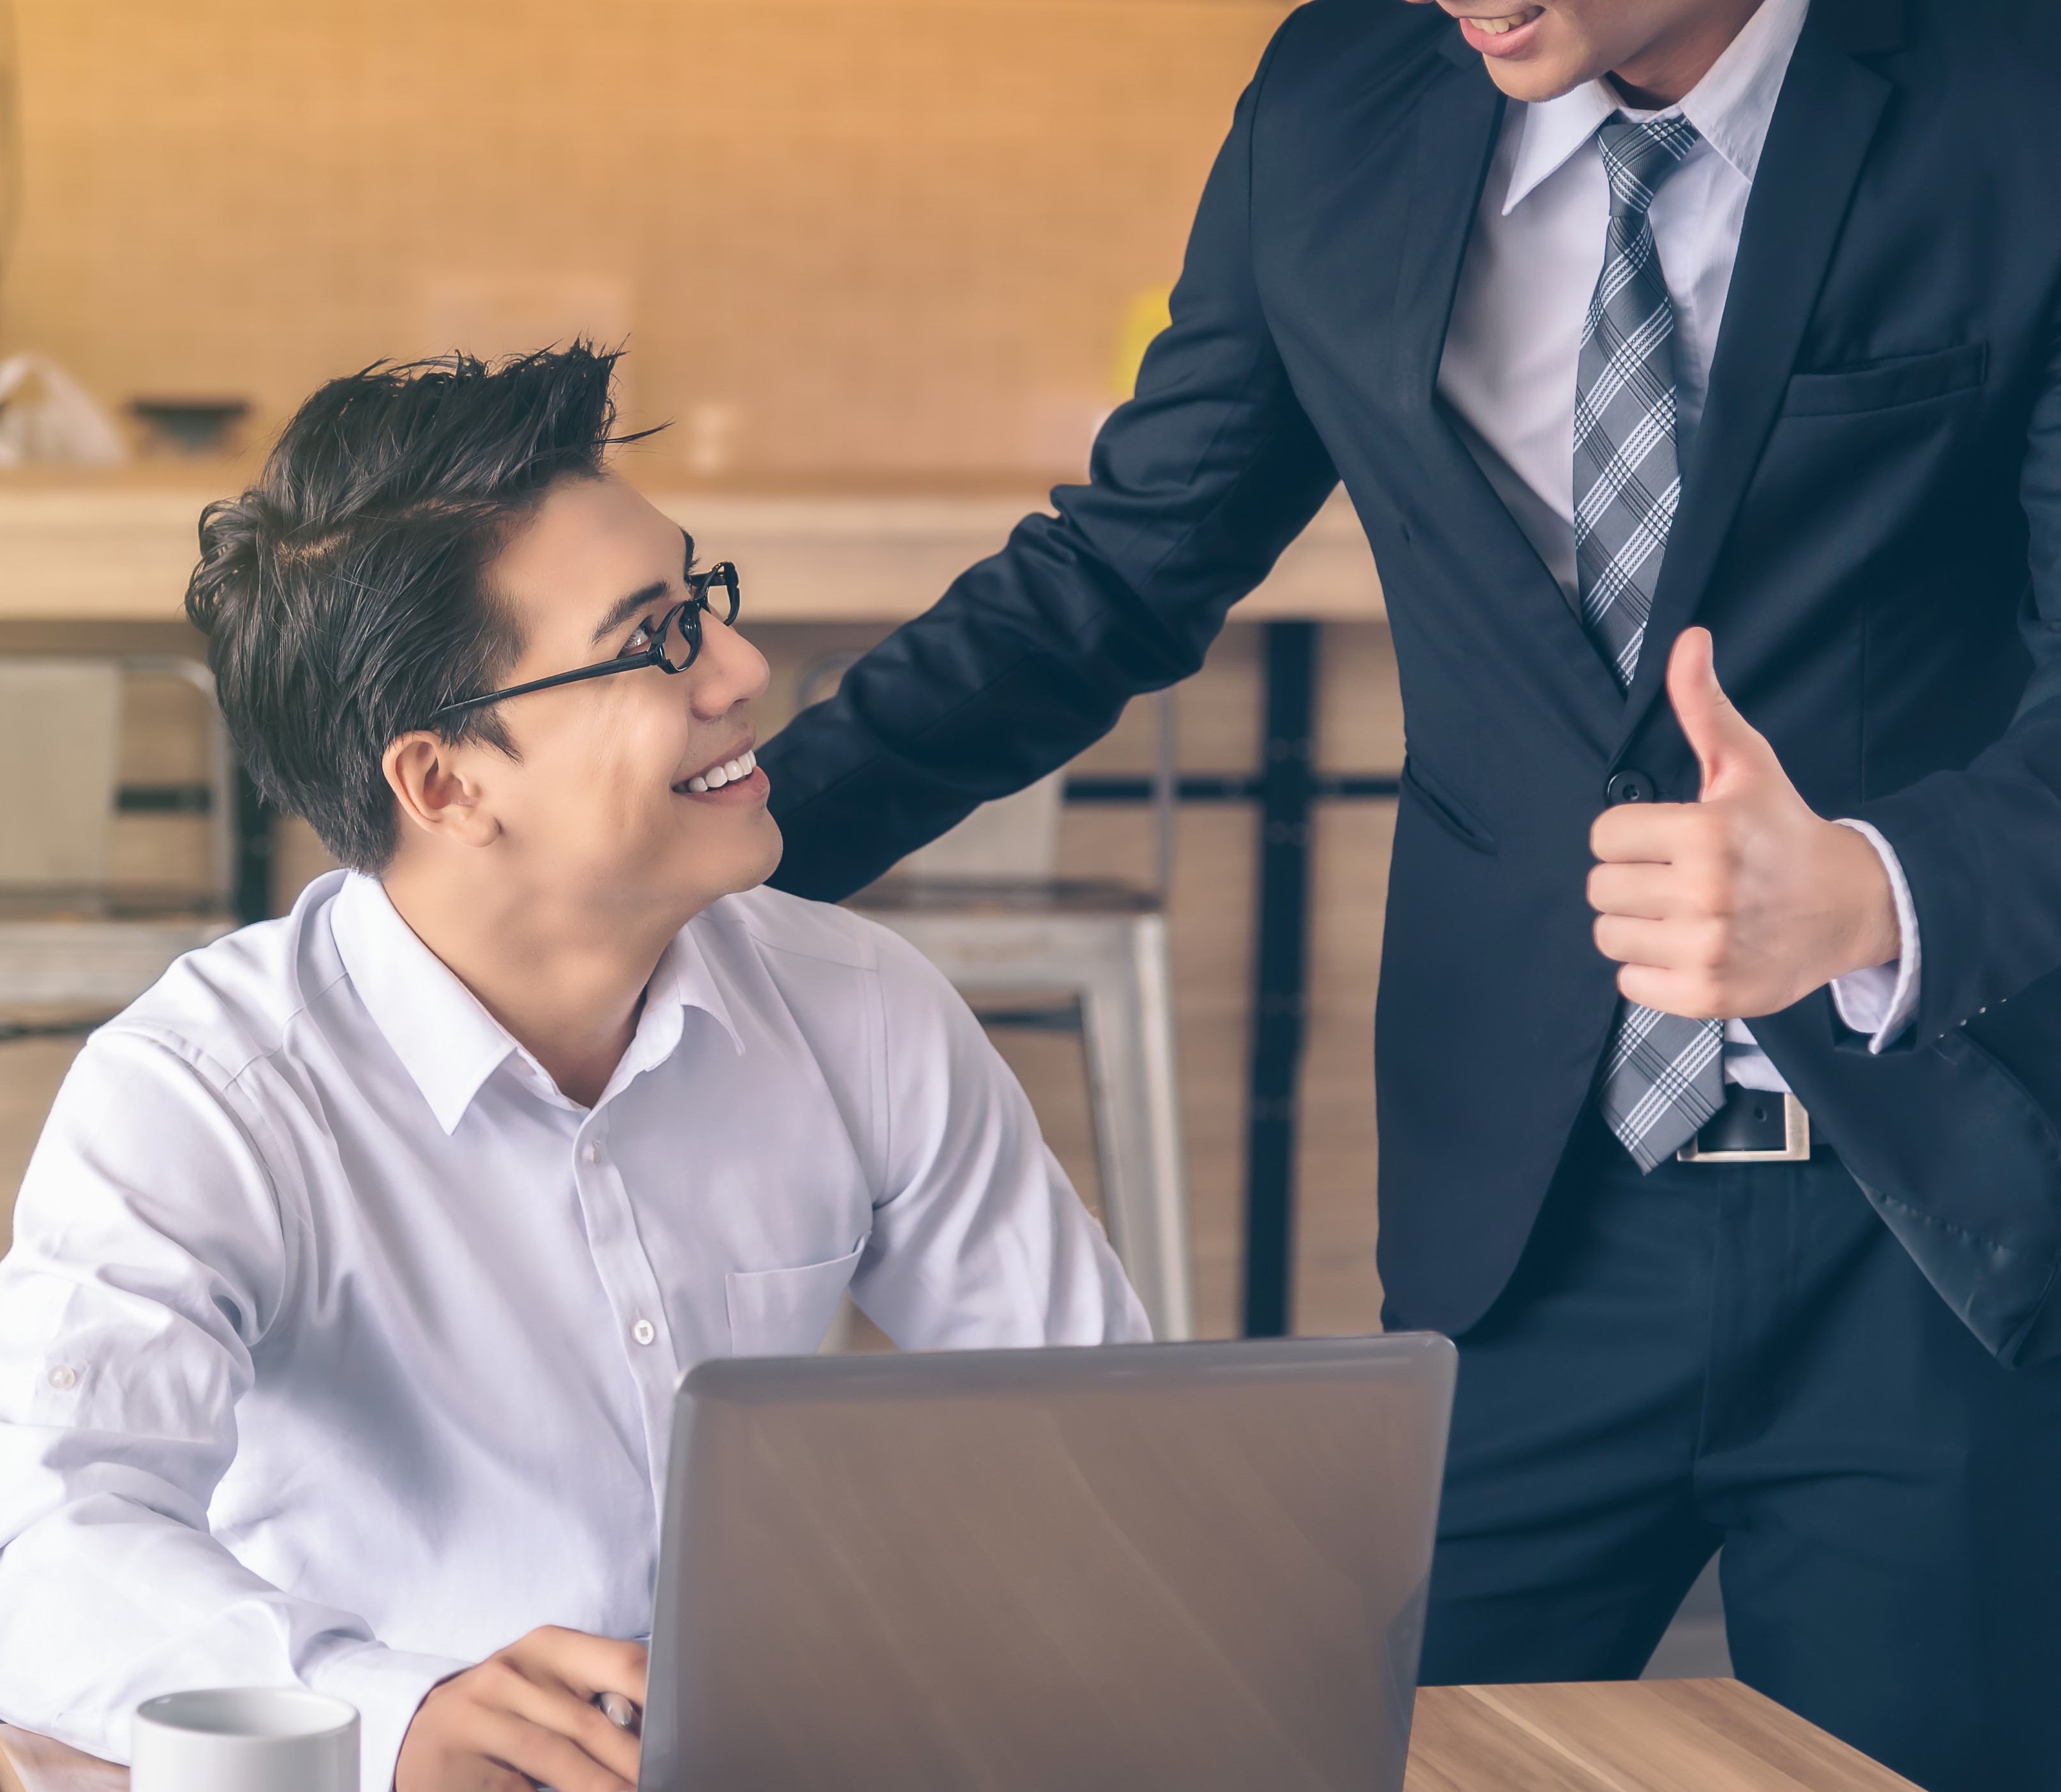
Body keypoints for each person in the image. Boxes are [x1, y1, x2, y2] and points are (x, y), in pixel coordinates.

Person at [756, 0, 2061, 1786]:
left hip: (1931, 1223)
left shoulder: (2015, 91)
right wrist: (730, 847)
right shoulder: (1338, 96)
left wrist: (1870, 887)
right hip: (1522, 1221)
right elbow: (1124, 566)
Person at [0, 346, 1149, 1792]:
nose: (745, 671)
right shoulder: (208, 1092)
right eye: (656, 643)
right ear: (446, 783)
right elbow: (43, 1552)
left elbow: (1107, 1452)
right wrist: (396, 1714)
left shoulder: (861, 1012)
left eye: (706, 604)